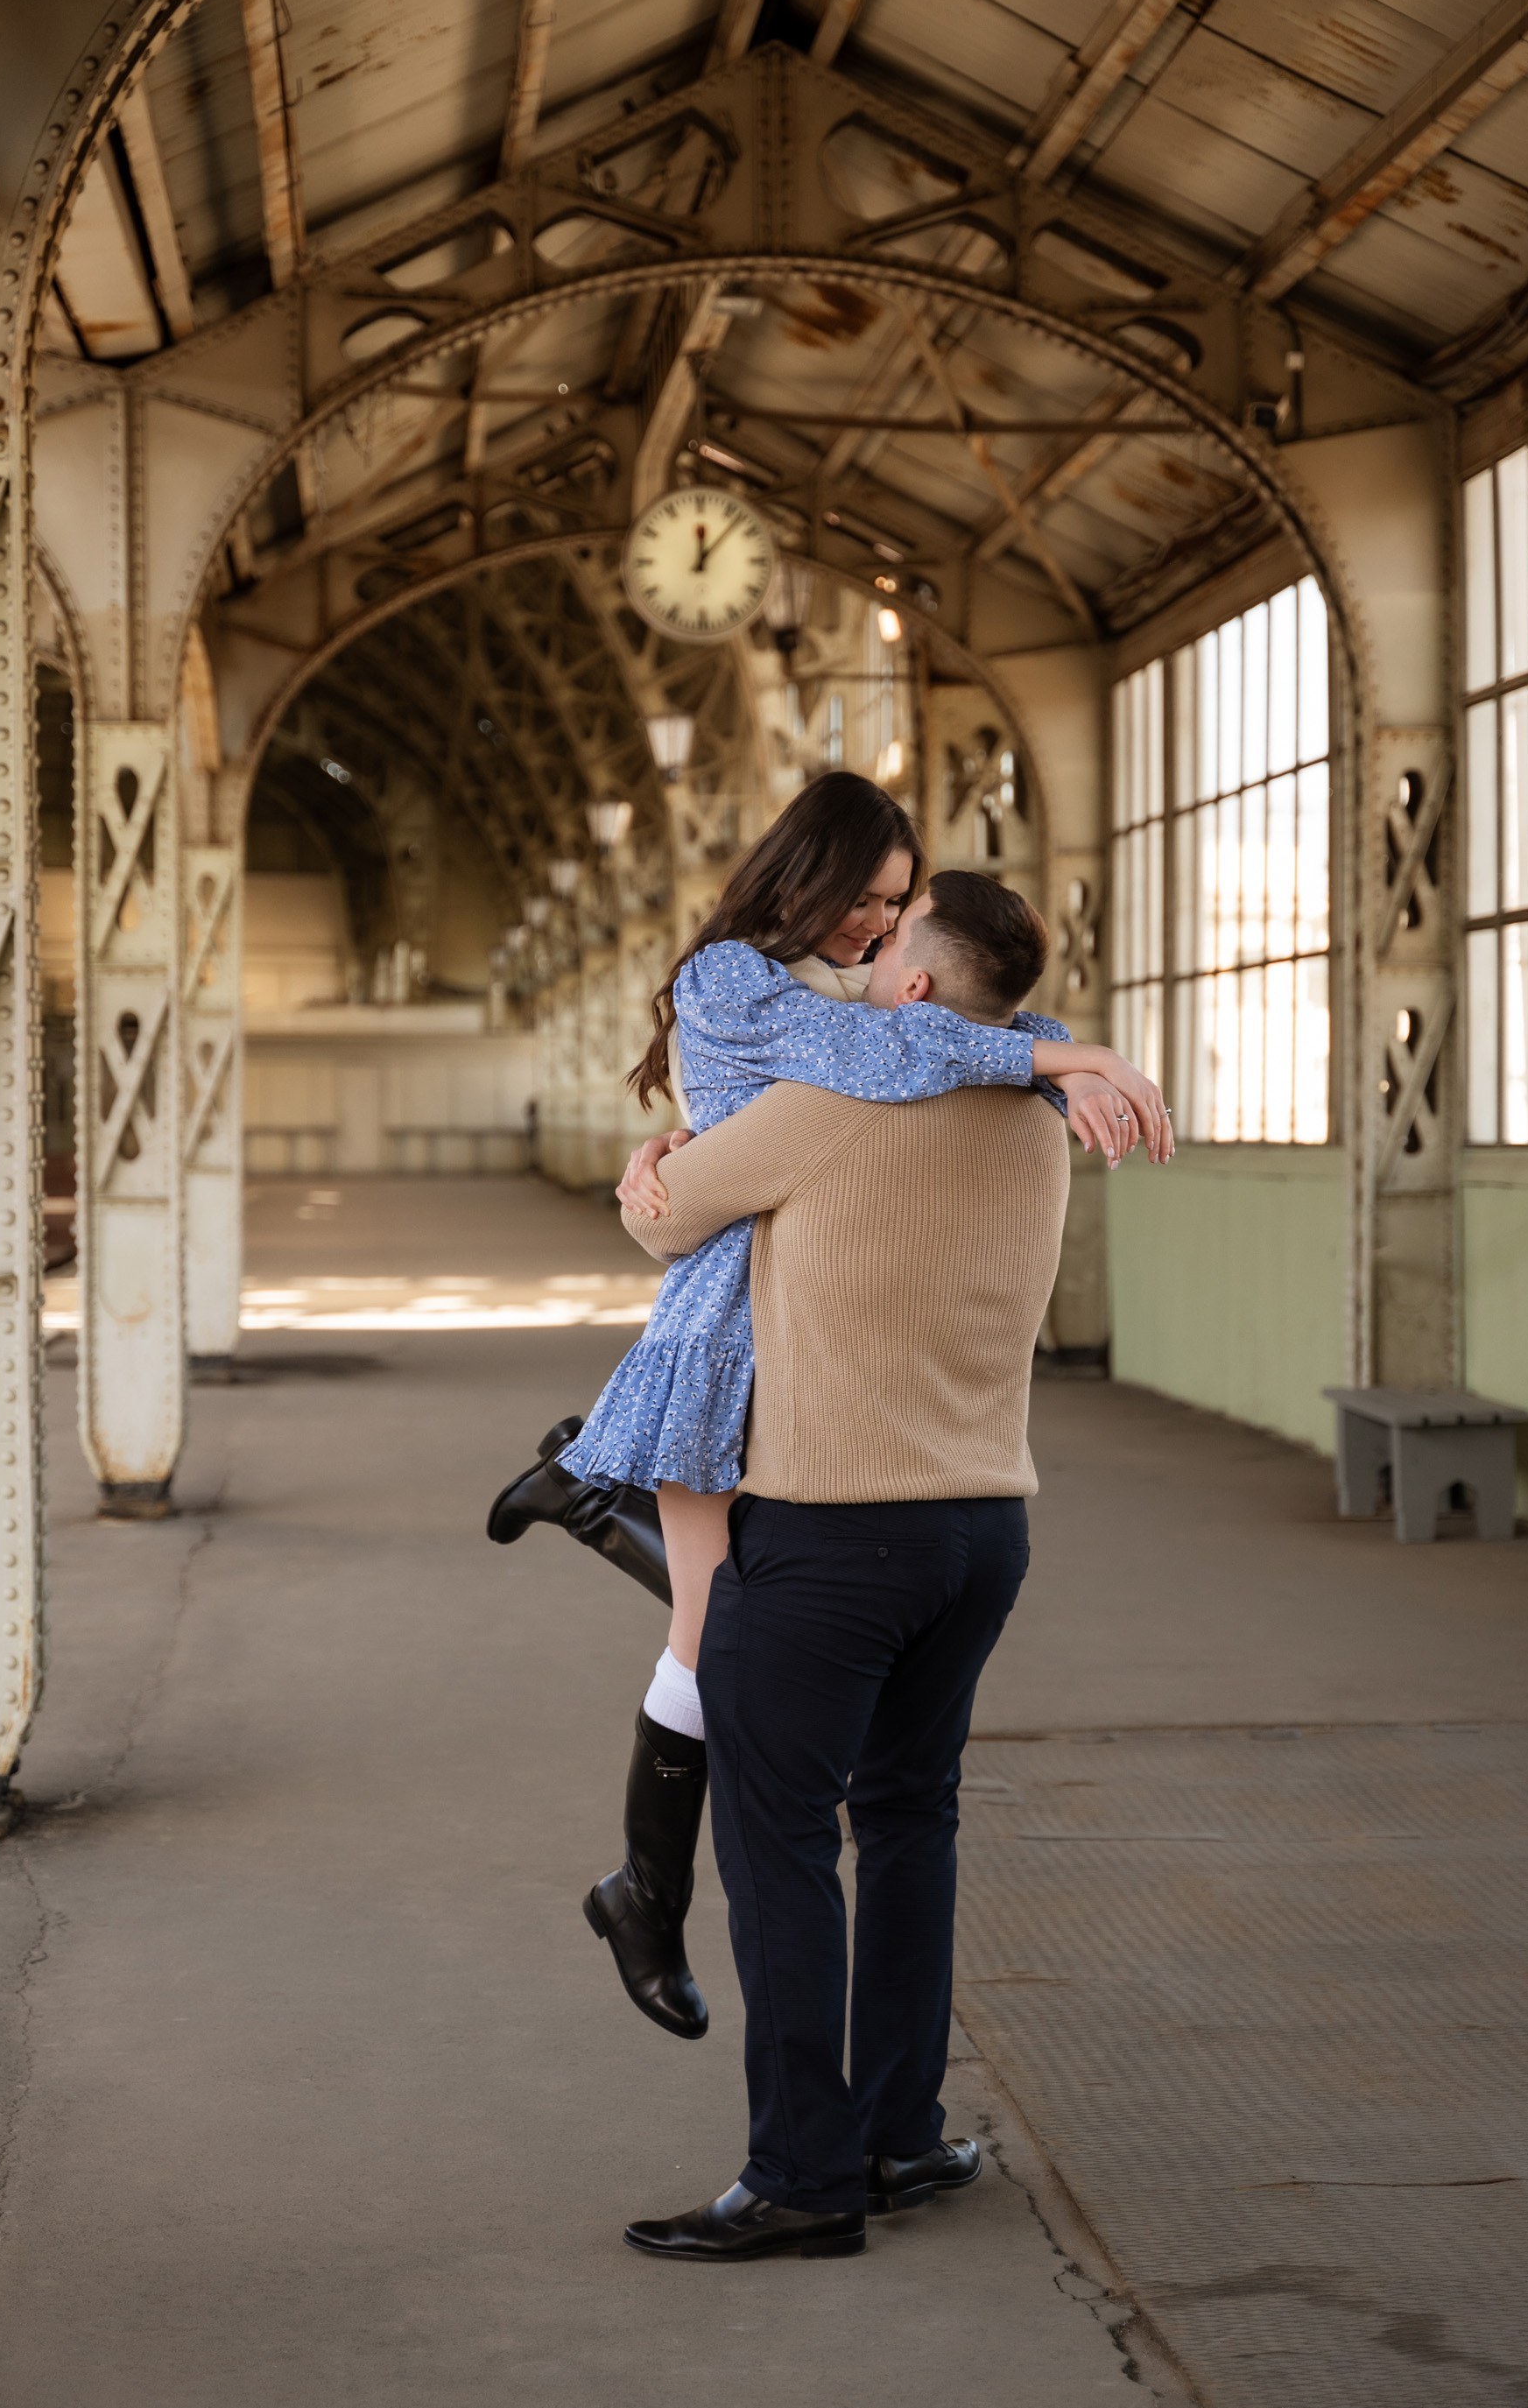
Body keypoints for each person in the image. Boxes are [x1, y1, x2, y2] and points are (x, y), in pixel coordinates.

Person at [487, 776, 1172, 2038]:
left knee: (735, 1622)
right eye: (867, 897)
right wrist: (1065, 1060)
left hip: (795, 1325)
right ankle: (643, 1895)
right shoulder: (733, 979)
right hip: (726, 1322)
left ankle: (582, 1504)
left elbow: (950, 1014)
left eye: (899, 906)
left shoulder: (850, 987)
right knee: (714, 1635)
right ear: (805, 874)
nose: (880, 924)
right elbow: (886, 1055)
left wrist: (1062, 1058)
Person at [616, 875, 1079, 2257]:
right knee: (912, 1823)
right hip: (981, 1529)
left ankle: (804, 2179)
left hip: (829, 1531)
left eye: (890, 945)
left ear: (919, 988)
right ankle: (898, 2134)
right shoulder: (1040, 1120)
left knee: (779, 1848)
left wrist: (651, 1162)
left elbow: (666, 1216)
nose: (867, 962)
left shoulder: (826, 1104)